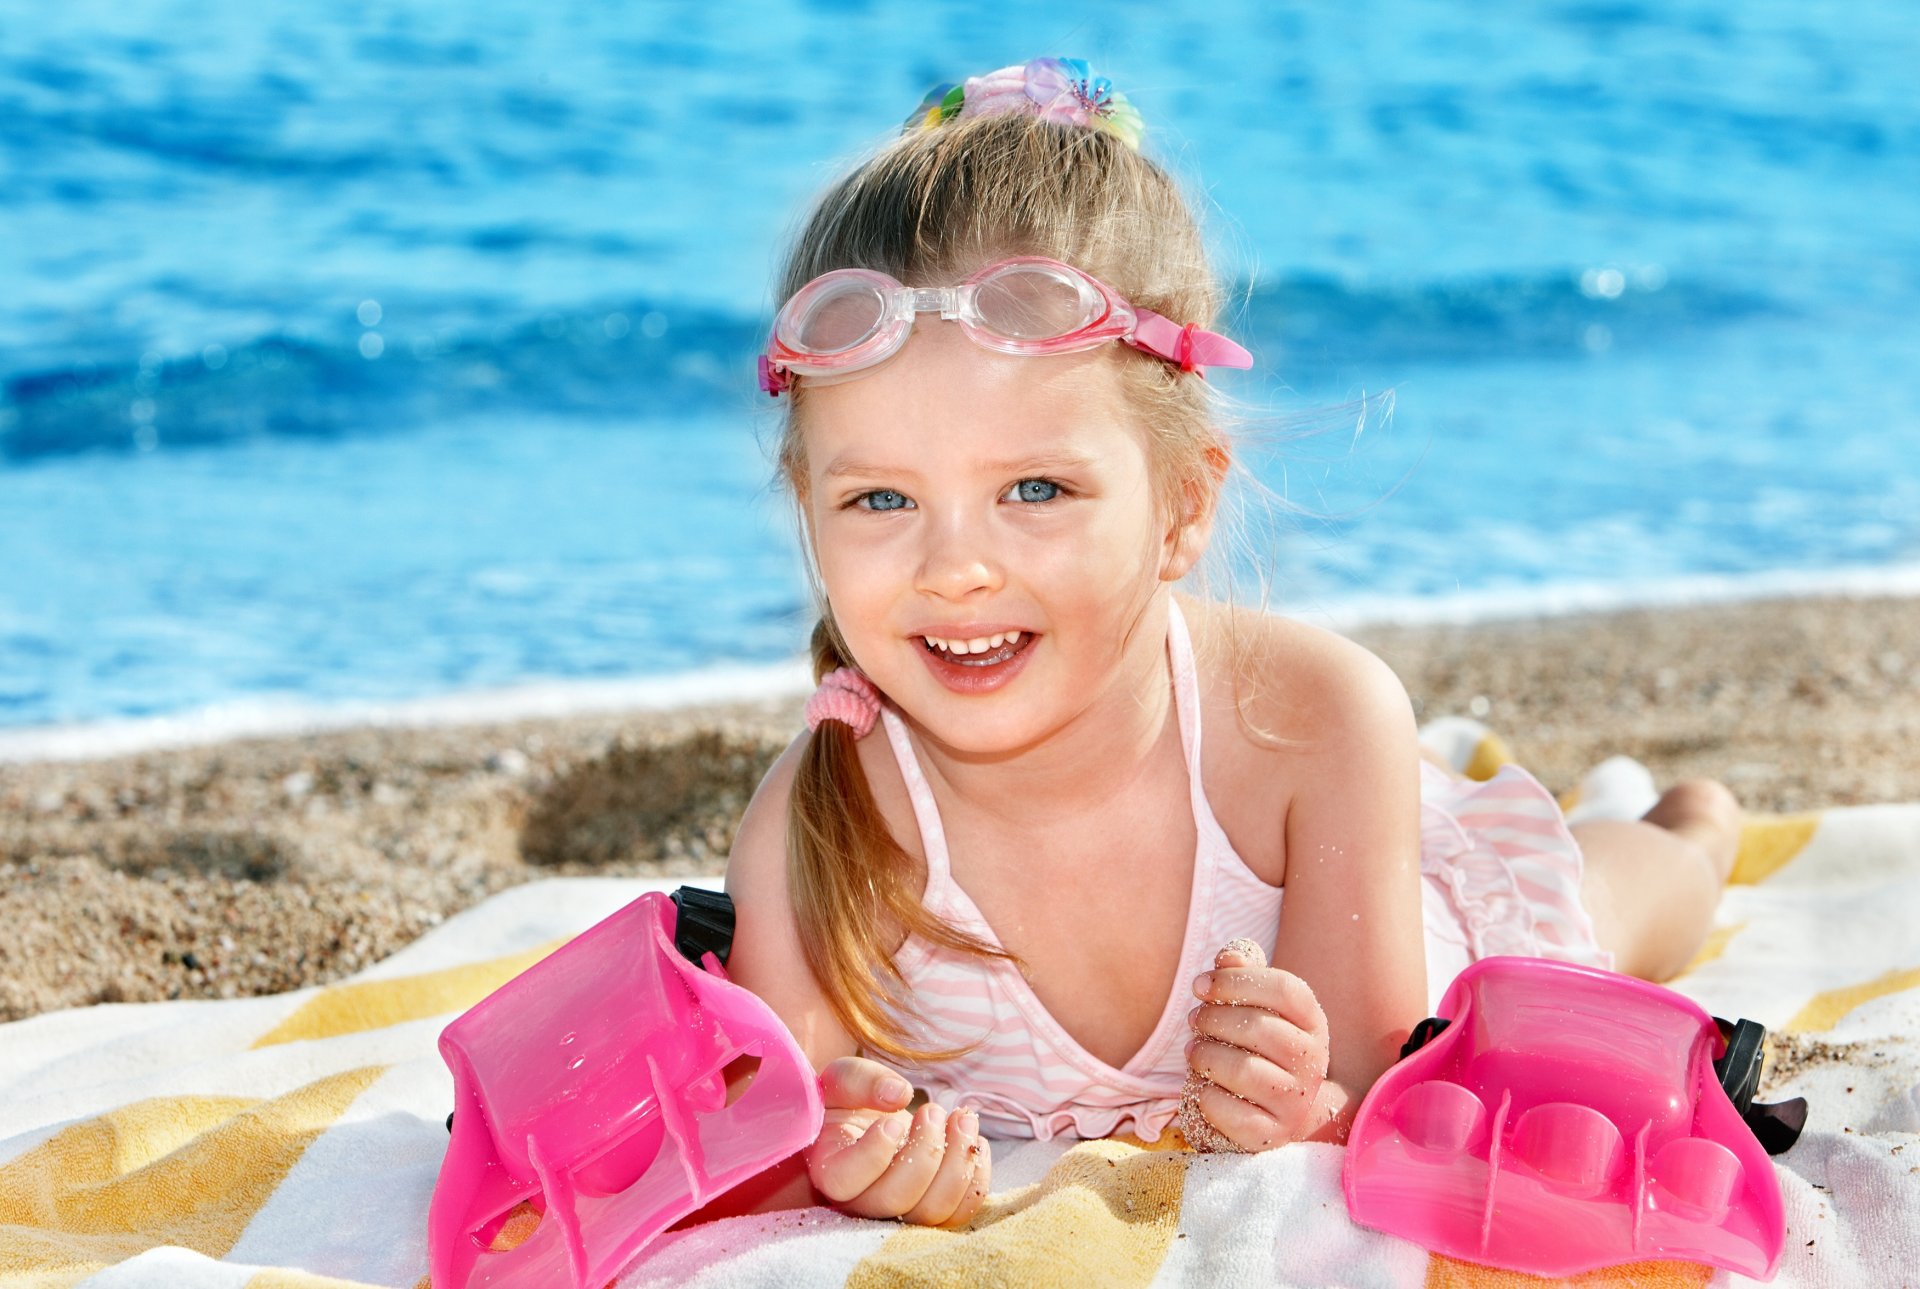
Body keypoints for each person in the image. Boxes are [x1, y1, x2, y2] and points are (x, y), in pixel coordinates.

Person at [721, 57, 1743, 1230]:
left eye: (1037, 488)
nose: (955, 566)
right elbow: (781, 1141)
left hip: (1420, 931)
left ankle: (1695, 823)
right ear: (808, 508)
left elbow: (1372, 1091)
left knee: (1615, 903)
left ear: (1182, 505)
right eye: (881, 499)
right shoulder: (814, 826)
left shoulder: (1315, 718)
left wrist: (1305, 1099)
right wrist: (857, 1161)